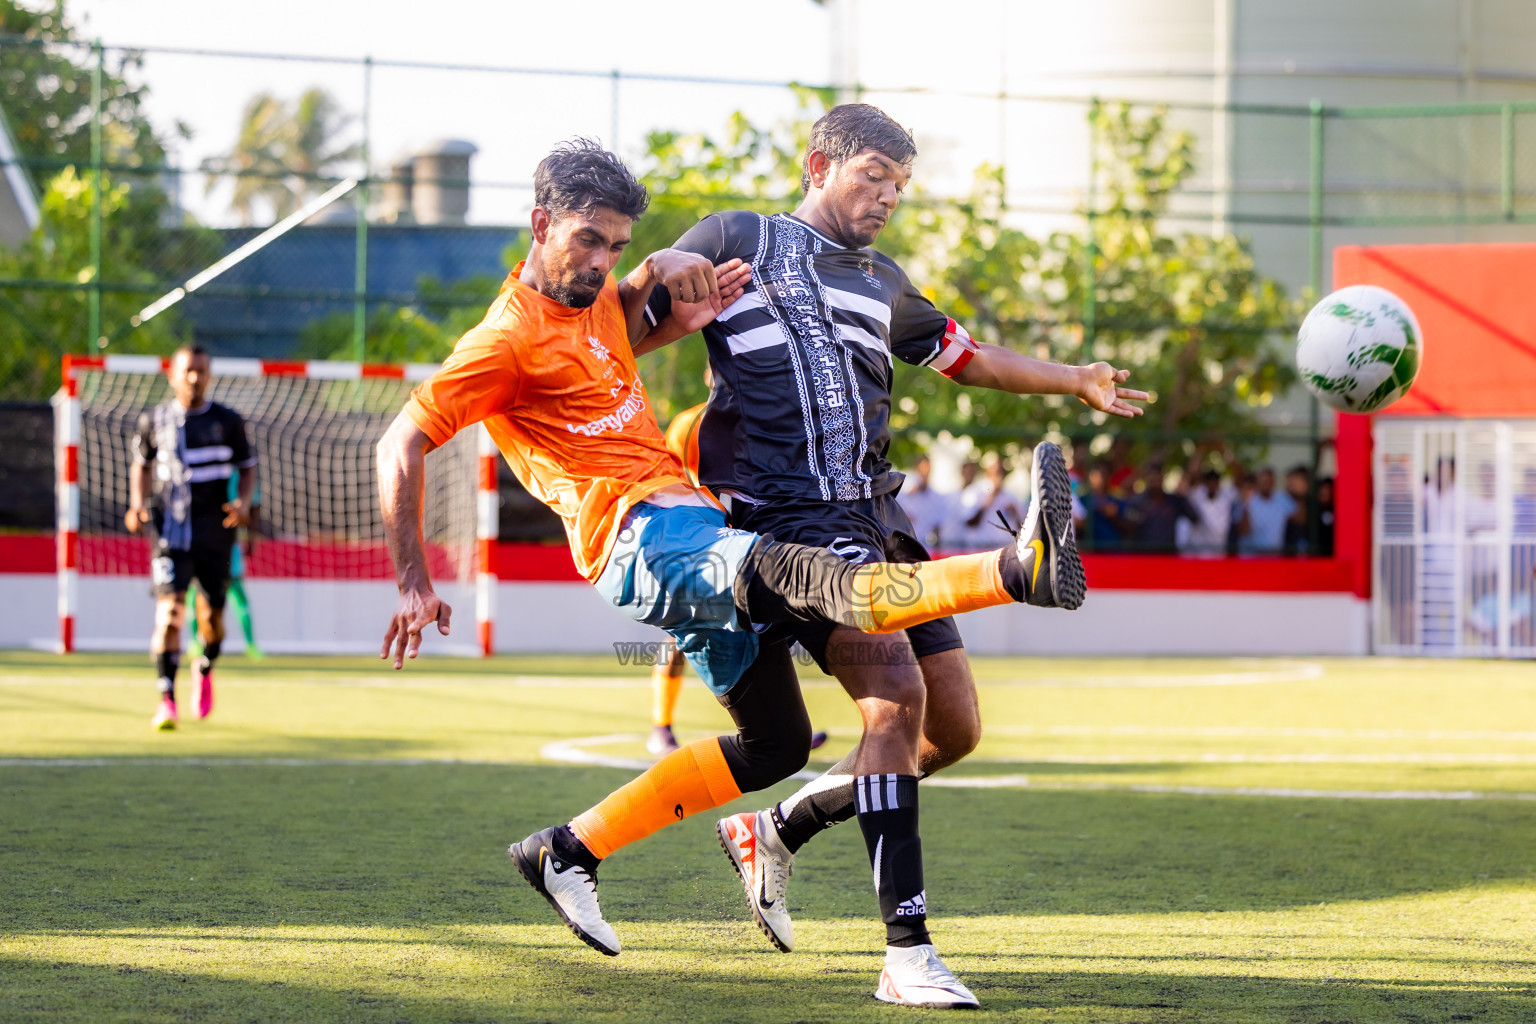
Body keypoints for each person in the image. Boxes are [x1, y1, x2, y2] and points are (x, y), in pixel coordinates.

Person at [374, 142, 1087, 1001]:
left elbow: (641, 315)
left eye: (614, 244)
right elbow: (400, 442)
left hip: (698, 522)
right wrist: (413, 581)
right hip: (644, 539)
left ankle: (566, 850)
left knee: (776, 744)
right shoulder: (503, 341)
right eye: (588, 241)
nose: (601, 261)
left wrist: (661, 277)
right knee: (848, 604)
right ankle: (1014, 569)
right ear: (539, 225)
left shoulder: (594, 301)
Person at [635, 104, 1146, 1007]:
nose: (887, 197)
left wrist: (1074, 380)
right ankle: (906, 954)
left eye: (900, 185)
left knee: (953, 730)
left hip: (878, 517)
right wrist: (654, 272)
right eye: (873, 175)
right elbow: (630, 319)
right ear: (818, 165)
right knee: (894, 701)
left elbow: (966, 357)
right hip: (788, 523)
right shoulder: (736, 235)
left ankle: (777, 828)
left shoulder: (886, 281)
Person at [646, 380, 826, 758]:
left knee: (772, 633)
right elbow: (673, 486)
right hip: (705, 544)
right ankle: (660, 726)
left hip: (755, 542)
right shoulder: (689, 425)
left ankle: (783, 723)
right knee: (679, 637)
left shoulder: (776, 421)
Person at [126, 345, 257, 730]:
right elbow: (141, 465)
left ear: (209, 375)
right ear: (173, 375)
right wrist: (137, 504)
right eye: (188, 371)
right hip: (170, 532)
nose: (195, 378)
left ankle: (204, 665)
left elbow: (248, 468)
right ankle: (166, 699)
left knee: (212, 620)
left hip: (216, 533)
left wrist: (243, 502)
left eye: (201, 371)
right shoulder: (154, 420)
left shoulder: (228, 421)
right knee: (169, 614)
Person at [188, 469, 263, 663]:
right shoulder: (237, 474)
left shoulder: (242, 475)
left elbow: (253, 507)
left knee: (230, 594)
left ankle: (250, 644)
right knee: (198, 593)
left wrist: (250, 538)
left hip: (226, 543)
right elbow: (254, 509)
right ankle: (197, 642)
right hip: (206, 542)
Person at [952, 455, 1024, 551]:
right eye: (994, 471)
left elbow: (1022, 527)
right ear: (987, 471)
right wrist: (986, 503)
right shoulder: (975, 491)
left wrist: (1014, 513)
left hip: (1003, 550)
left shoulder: (1011, 496)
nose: (998, 475)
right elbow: (969, 523)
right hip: (979, 550)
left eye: (1000, 471)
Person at [1121, 464, 1199, 553]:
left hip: (1168, 555)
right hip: (1143, 555)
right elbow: (1127, 529)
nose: (1155, 482)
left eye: (1157, 479)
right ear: (1148, 479)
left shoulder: (1174, 501)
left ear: (1162, 478)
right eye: (1152, 479)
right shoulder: (1136, 502)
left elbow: (1194, 518)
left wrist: (1183, 496)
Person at [895, 455, 950, 551]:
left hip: (927, 549)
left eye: (927, 470)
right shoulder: (903, 494)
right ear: (916, 470)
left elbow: (938, 526)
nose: (925, 473)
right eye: (922, 470)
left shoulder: (936, 497)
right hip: (905, 547)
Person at [1179, 467, 1236, 555]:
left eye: (1215, 481)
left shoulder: (1225, 501)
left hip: (1218, 553)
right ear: (1205, 483)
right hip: (1198, 553)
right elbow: (1193, 474)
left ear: (1218, 483)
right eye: (1210, 481)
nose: (1212, 485)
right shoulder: (1197, 498)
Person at [1237, 468, 1294, 554]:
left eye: (1268, 481)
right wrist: (1246, 505)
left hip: (1274, 556)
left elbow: (1299, 519)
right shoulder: (1249, 500)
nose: (1266, 484)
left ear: (1273, 482)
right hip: (1252, 556)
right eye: (1263, 481)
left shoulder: (1282, 499)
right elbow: (1243, 531)